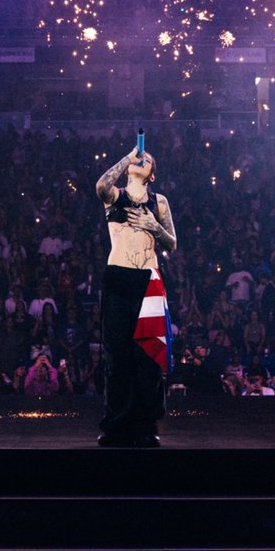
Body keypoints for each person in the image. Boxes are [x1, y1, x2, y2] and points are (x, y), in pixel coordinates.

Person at [95, 144, 176, 447]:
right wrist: (127, 158)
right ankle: (116, 424)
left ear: (152, 174)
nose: (142, 160)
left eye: (147, 160)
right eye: (138, 159)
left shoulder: (160, 202)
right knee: (117, 357)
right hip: (118, 277)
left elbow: (172, 244)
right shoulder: (116, 196)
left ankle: (146, 424)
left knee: (147, 357)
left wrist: (155, 227)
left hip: (148, 280)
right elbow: (101, 185)